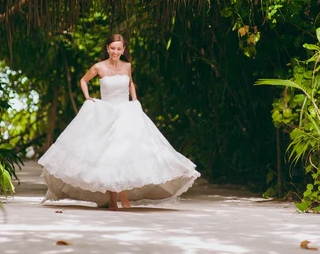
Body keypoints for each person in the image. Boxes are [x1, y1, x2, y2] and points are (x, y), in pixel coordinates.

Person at [38, 33, 200, 210]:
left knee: (124, 154)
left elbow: (130, 83)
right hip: (106, 112)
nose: (115, 51)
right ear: (107, 48)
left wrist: (135, 100)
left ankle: (123, 198)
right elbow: (83, 80)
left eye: (118, 48)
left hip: (126, 112)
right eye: (112, 48)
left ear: (123, 50)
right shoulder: (99, 67)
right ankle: (113, 199)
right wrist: (88, 97)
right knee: (108, 155)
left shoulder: (127, 66)